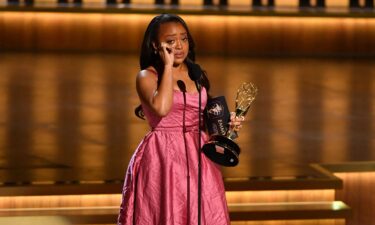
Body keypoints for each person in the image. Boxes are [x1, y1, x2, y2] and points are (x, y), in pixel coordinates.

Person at [117, 13, 243, 225]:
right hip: (163, 156)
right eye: (170, 41)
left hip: (199, 155)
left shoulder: (196, 74)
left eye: (183, 39)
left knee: (202, 213)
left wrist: (227, 125)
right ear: (156, 45)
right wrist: (167, 67)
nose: (179, 46)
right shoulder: (147, 76)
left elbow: (203, 115)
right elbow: (162, 108)